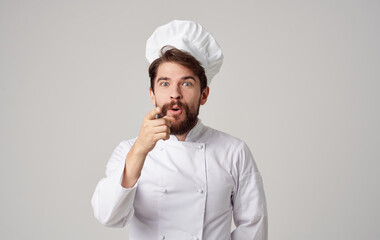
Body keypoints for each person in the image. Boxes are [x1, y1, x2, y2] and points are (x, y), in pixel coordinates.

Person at [92, 20, 268, 240]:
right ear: (152, 94)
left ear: (204, 94)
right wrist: (139, 150)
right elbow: (107, 217)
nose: (174, 94)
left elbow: (253, 230)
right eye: (165, 83)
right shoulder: (128, 150)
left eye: (187, 83)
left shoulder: (234, 152)